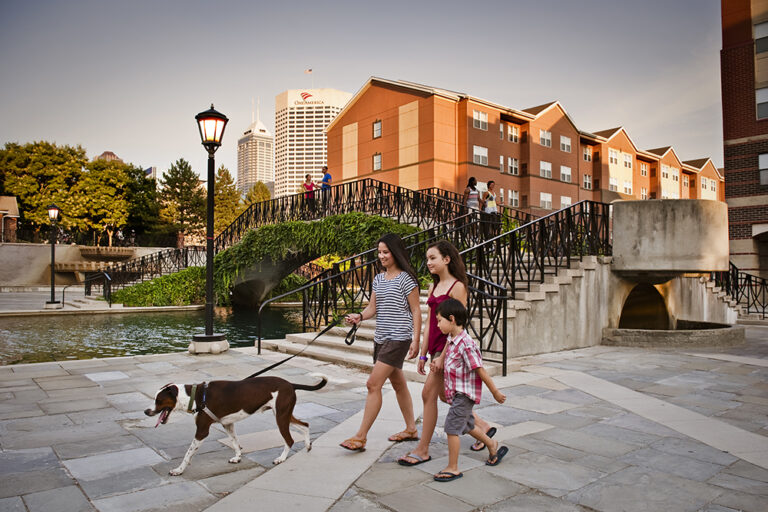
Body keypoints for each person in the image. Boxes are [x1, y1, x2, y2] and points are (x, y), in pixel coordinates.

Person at [398, 240, 496, 467]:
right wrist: (423, 353)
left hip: (447, 349)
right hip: (434, 348)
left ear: (446, 259)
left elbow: (458, 325)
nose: (428, 262)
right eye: (427, 258)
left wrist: (442, 356)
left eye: (433, 258)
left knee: (428, 394)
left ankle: (423, 449)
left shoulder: (457, 287)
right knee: (444, 396)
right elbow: (429, 324)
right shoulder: (433, 287)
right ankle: (483, 427)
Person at [340, 233, 422, 451]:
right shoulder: (378, 279)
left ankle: (360, 437)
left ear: (396, 252)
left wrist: (416, 339)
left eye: (386, 252)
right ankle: (411, 428)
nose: (382, 256)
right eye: (380, 252)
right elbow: (373, 308)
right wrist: (360, 316)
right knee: (398, 383)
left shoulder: (406, 279)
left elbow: (416, 310)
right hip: (382, 337)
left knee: (372, 384)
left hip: (399, 337)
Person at [431, 298, 508, 482]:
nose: (437, 325)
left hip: (464, 395)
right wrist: (440, 359)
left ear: (452, 319)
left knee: (451, 428)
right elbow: (448, 345)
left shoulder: (466, 344)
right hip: (456, 393)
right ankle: (492, 444)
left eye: (439, 320)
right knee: (466, 425)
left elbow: (480, 369)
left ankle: (453, 467)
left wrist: (495, 392)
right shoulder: (452, 338)